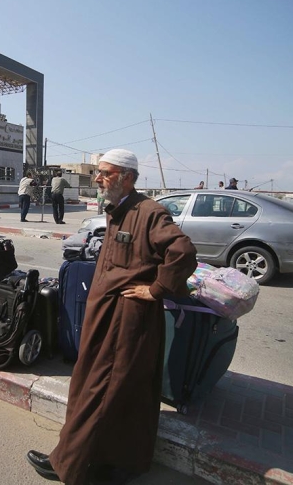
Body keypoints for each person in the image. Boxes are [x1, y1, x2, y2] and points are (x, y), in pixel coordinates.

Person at [26, 149, 198, 485]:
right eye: (98, 172)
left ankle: (68, 463)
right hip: (107, 317)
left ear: (128, 177)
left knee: (97, 389)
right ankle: (118, 463)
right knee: (124, 391)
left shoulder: (148, 212)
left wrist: (156, 289)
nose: (98, 178)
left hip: (124, 322)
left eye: (106, 172)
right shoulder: (116, 210)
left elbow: (183, 251)